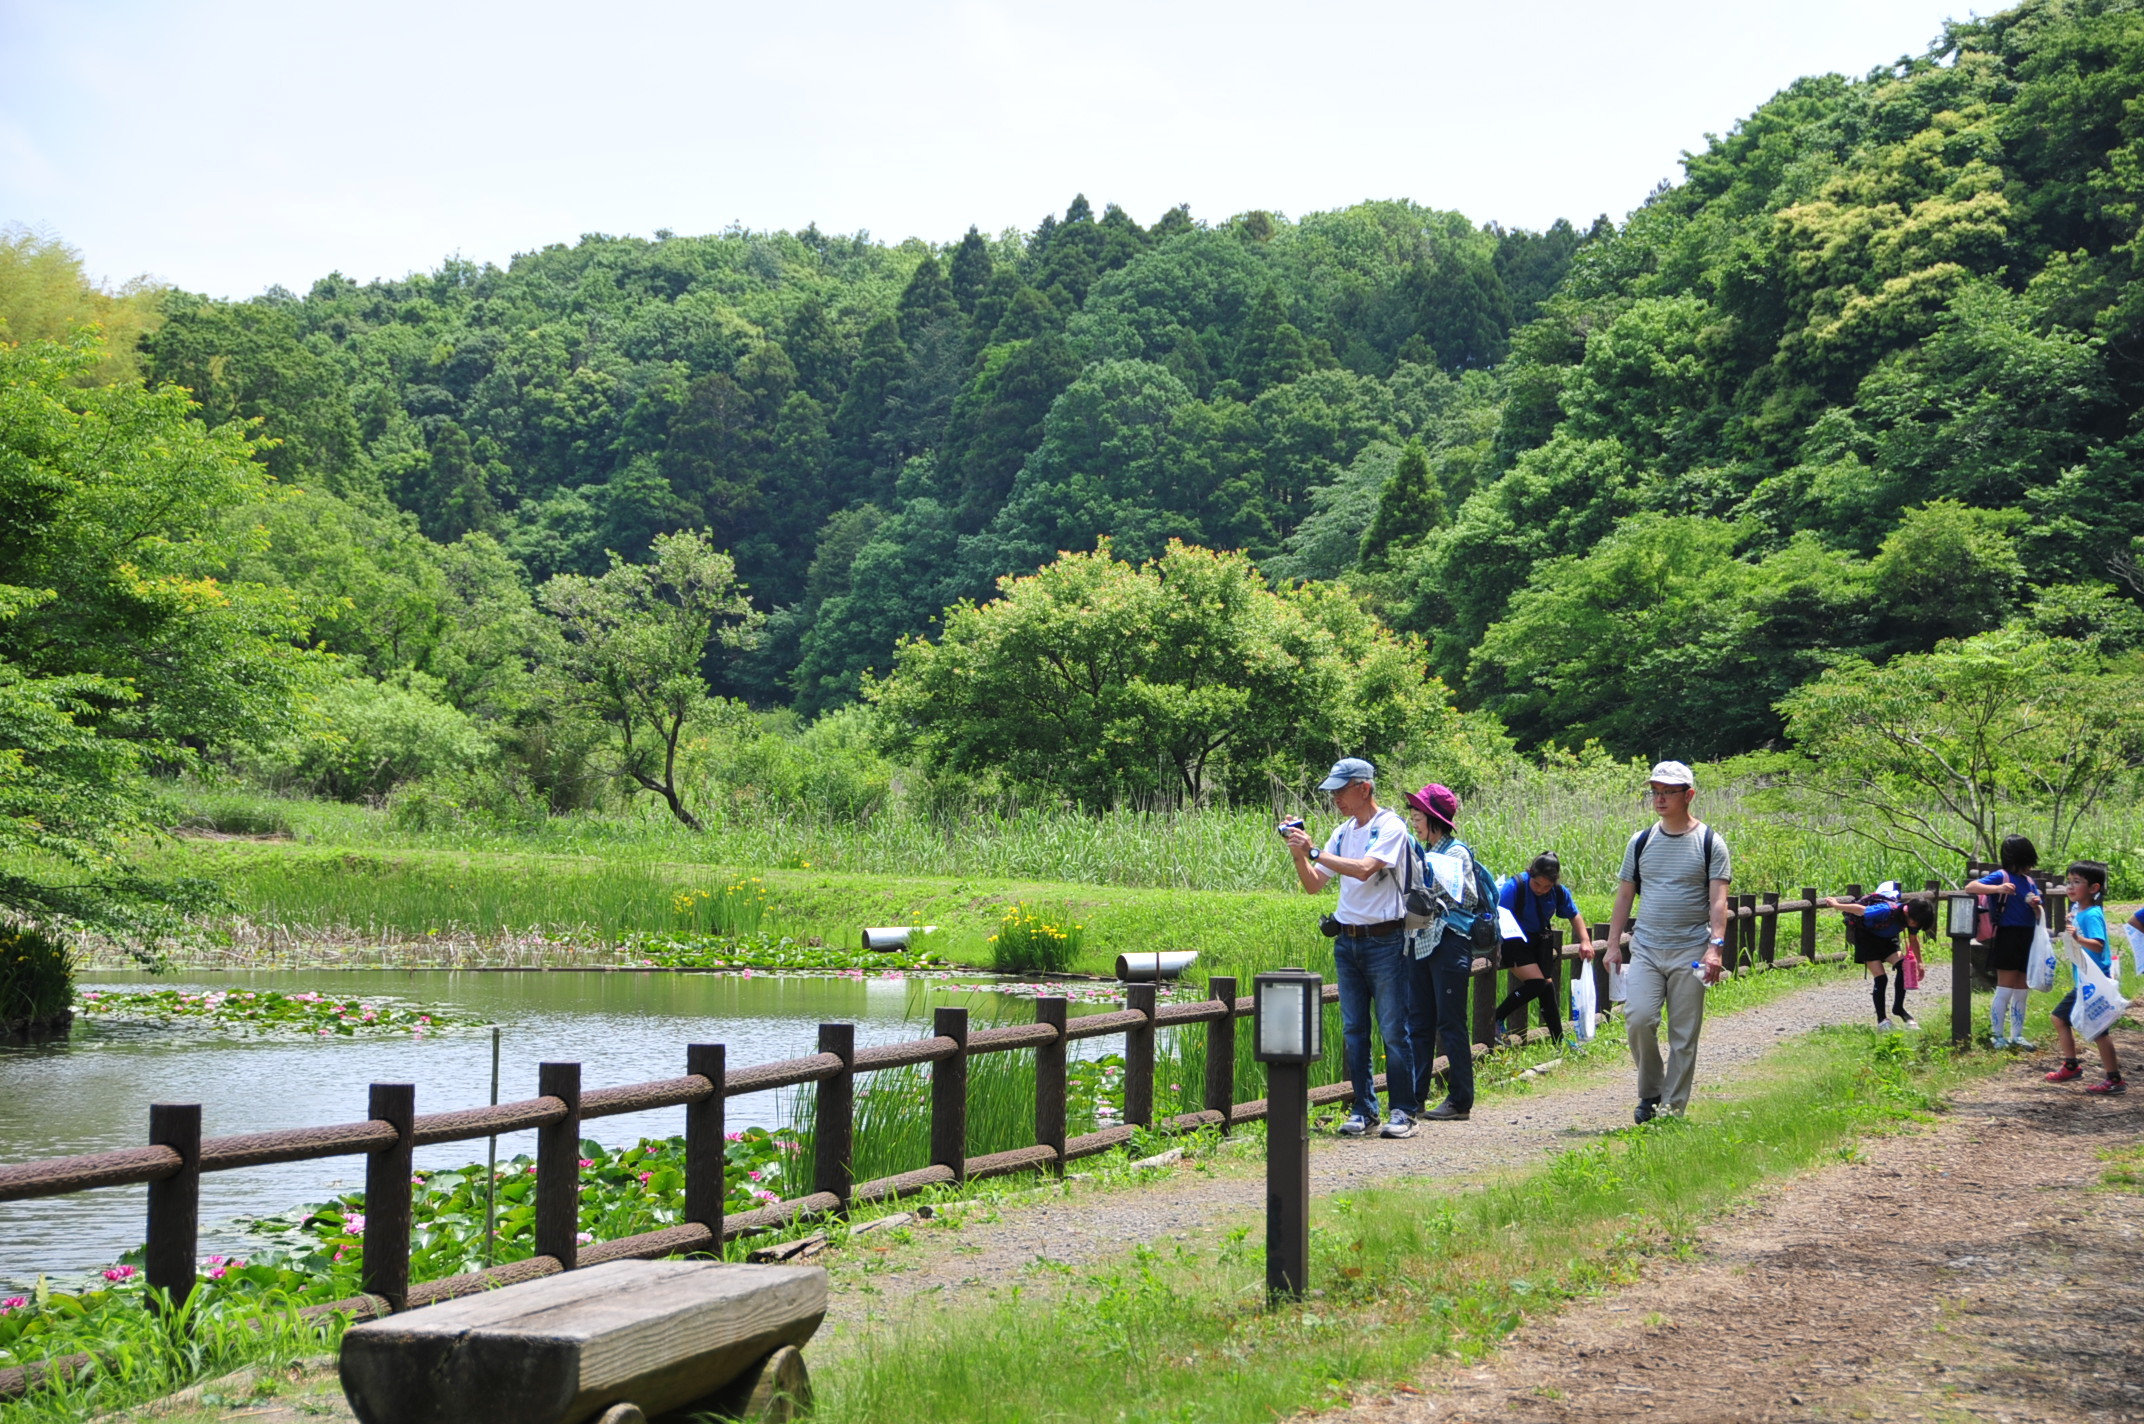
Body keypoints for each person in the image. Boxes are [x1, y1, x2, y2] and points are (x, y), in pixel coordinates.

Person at [1282, 757, 1417, 1138]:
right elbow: (1313, 884)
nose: (1335, 798)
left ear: (1364, 787)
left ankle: (1404, 1111)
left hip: (1387, 941)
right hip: (1348, 941)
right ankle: (1364, 1109)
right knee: (1354, 1030)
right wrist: (1298, 850)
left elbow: (1363, 868)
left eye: (1341, 790)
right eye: (1333, 791)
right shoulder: (1341, 832)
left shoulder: (1390, 825)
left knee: (1393, 1030)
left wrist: (1312, 852)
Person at [1604, 761, 1731, 1124]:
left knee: (1683, 1034)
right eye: (1655, 792)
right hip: (1645, 946)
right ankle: (1651, 1091)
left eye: (1668, 792)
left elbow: (1718, 901)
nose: (1659, 799)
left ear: (1688, 795)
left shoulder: (1710, 842)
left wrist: (1715, 948)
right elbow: (1625, 895)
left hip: (1691, 948)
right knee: (1639, 1019)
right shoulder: (1641, 841)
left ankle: (1671, 1111)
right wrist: (1614, 944)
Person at [1399, 783, 1477, 1123]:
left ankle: (1460, 1100)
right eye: (1413, 814)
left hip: (1449, 941)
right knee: (1418, 1022)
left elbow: (1464, 897)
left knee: (1450, 1023)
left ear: (1434, 819)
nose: (1414, 820)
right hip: (1419, 941)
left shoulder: (1456, 853)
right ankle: (1414, 1098)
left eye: (1419, 815)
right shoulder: (1420, 851)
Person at [1493, 853, 1595, 1044]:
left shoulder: (1558, 891)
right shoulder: (1515, 887)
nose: (1541, 890)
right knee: (1540, 984)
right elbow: (1498, 915)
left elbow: (1574, 914)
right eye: (1537, 884)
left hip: (1537, 941)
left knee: (1546, 988)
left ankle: (1559, 1041)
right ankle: (1496, 1017)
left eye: (1547, 886)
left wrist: (1585, 940)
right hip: (1511, 939)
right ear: (1530, 874)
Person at [2046, 860, 2125, 1095]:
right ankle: (2072, 1066)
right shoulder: (2080, 911)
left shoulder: (2091, 915)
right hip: (2084, 979)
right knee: (2062, 1018)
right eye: (2069, 882)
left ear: (2094, 888)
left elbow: (2099, 946)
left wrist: (2078, 938)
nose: (2070, 887)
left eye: (2077, 882)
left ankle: (2114, 1079)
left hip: (2094, 979)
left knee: (2098, 1029)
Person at [1821, 882, 1936, 1030]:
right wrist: (1836, 905)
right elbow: (1860, 910)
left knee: (1903, 967)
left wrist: (1920, 963)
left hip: (1888, 940)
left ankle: (1898, 1009)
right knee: (1881, 979)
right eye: (1915, 923)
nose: (1915, 927)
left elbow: (1913, 939)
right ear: (1908, 913)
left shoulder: (1913, 920)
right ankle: (1882, 1020)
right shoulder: (1886, 910)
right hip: (1867, 939)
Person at [1965, 838, 2044, 1049]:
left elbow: (2038, 910)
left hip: (2028, 936)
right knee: (2005, 988)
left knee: (2022, 989)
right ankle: (1997, 1036)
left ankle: (2017, 1036)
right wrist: (1998, 888)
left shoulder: (2029, 881)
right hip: (2008, 935)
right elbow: (1971, 887)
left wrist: (2036, 905)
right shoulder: (2002, 876)